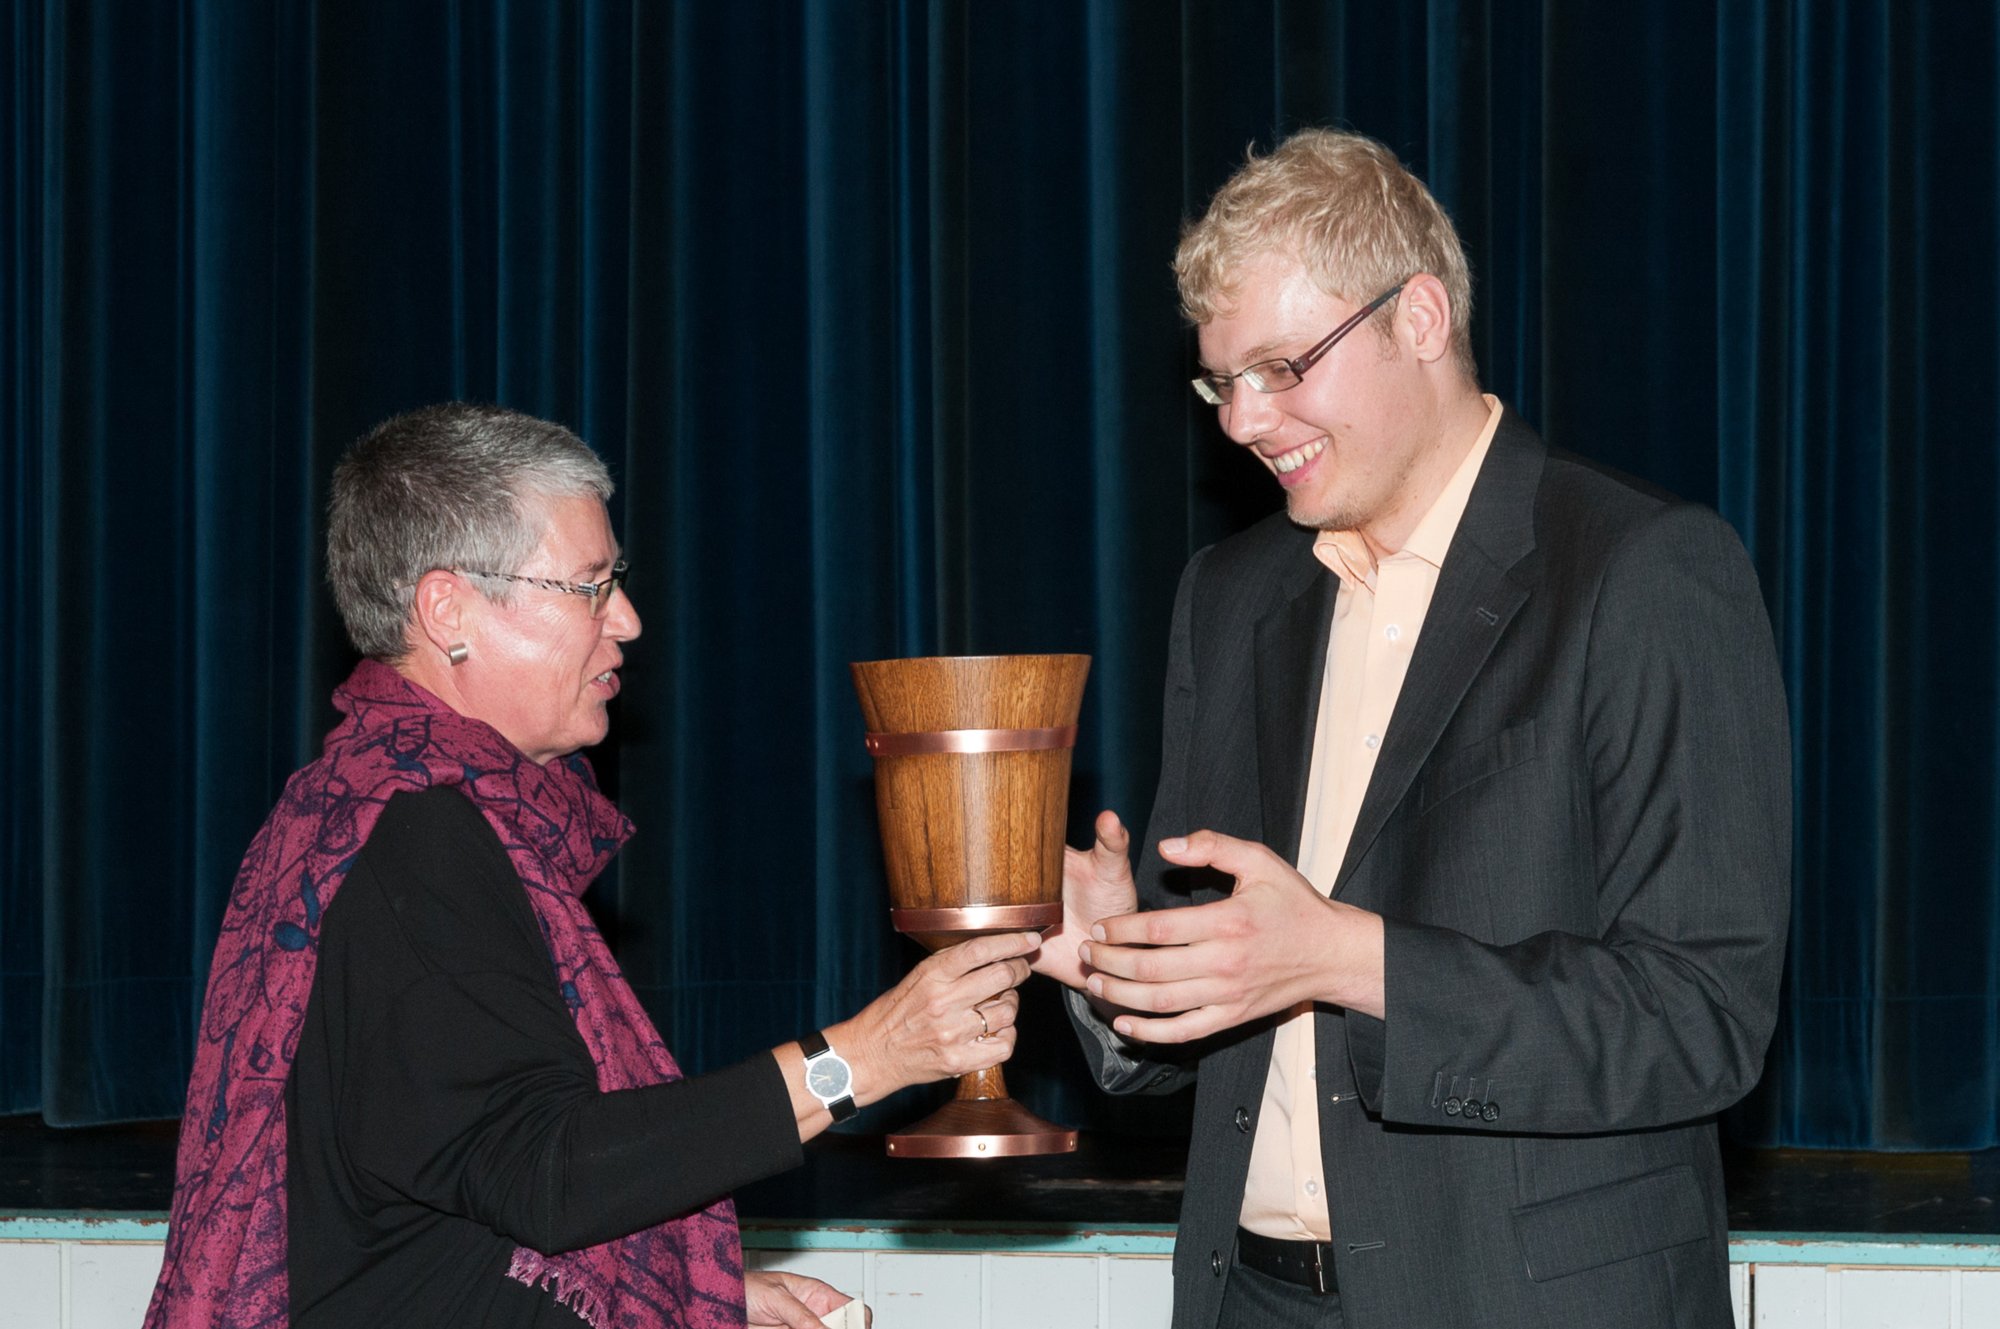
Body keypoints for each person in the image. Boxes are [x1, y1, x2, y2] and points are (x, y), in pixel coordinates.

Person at [1030, 129, 1791, 1329]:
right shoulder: (1230, 601)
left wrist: (1345, 959)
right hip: (1250, 1300)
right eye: (1219, 382)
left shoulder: (1637, 571)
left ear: (1420, 318)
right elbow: (1210, 1026)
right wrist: (1123, 971)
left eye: (1281, 367)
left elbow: (1698, 1021)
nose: (1241, 420)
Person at [145, 403, 1038, 1329]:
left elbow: (436, 1180)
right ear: (448, 609)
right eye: (589, 584)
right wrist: (866, 1055)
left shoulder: (376, 804)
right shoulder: (417, 838)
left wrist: (700, 1286)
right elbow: (546, 1172)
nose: (629, 619)